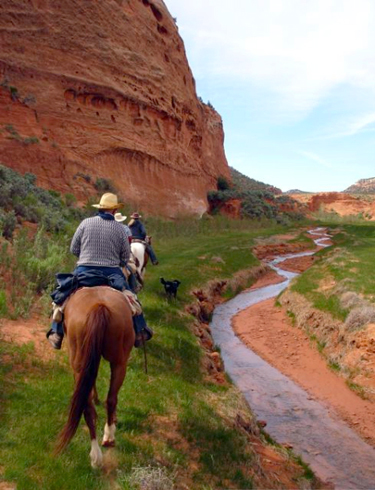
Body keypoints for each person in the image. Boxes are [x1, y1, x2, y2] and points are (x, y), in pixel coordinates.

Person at [47, 193, 153, 349]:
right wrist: (115, 261)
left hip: (84, 269)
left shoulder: (85, 223)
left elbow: (73, 248)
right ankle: (139, 331)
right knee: (131, 298)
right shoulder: (120, 229)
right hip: (111, 272)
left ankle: (56, 333)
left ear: (100, 209)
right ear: (115, 210)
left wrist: (86, 257)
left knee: (63, 293)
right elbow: (124, 257)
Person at [114, 212, 140, 293]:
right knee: (129, 268)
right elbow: (129, 241)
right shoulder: (125, 228)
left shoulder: (110, 227)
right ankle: (133, 288)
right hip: (122, 252)